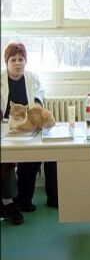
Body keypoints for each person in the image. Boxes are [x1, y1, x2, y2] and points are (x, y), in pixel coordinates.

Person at [0, 43, 58, 225]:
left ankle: (52, 197)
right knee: (10, 159)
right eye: (13, 60)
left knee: (48, 153)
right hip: (6, 128)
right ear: (6, 62)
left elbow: (39, 94)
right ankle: (17, 201)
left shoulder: (32, 78)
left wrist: (38, 107)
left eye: (21, 59)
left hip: (30, 127)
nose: (18, 63)